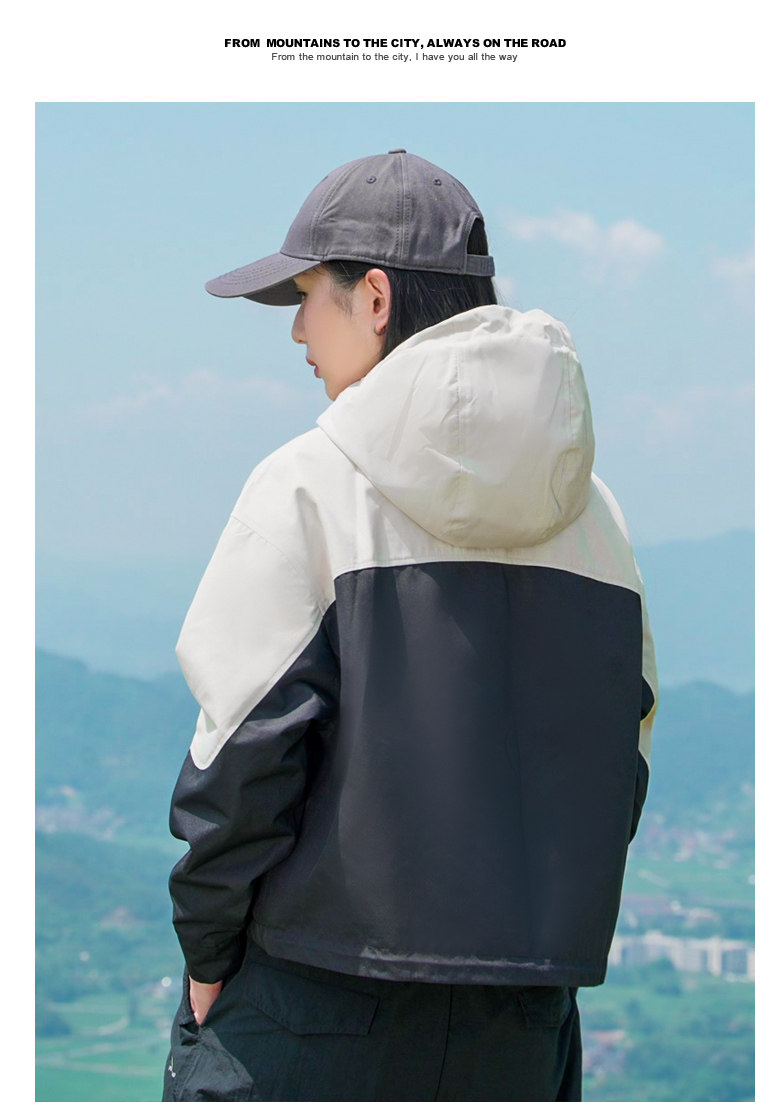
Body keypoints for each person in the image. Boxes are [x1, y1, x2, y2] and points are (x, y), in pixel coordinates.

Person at [163, 149, 657, 1102]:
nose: (297, 330)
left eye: (308, 295)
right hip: (520, 1026)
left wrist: (208, 956)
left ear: (376, 298)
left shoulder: (308, 484)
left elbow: (243, 762)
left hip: (311, 1005)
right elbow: (620, 764)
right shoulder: (597, 517)